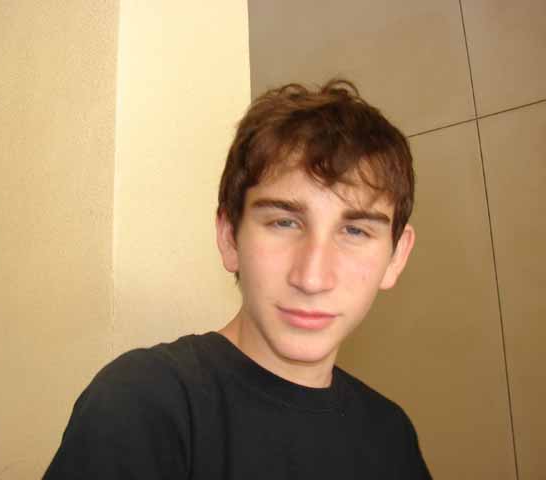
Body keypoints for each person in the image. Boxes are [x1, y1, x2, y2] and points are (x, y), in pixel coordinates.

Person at [44, 79, 432, 479]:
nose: (312, 278)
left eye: (355, 231)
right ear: (230, 237)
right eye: (284, 222)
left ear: (396, 256)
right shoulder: (142, 404)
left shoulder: (392, 436)